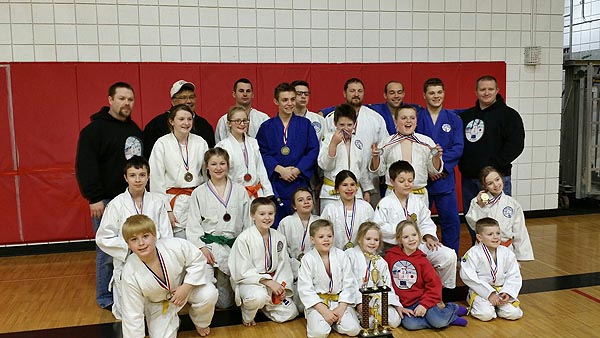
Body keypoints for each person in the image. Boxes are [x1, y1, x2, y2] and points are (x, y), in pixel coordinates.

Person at [75, 81, 143, 310]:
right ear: (110, 100)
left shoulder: (134, 130)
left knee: (135, 246)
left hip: (132, 199)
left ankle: (131, 290)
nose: (127, 103)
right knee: (106, 250)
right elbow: (85, 165)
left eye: (130, 99)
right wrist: (93, 197)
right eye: (122, 98)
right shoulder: (93, 131)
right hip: (105, 201)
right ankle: (105, 296)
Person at [96, 156, 173, 319]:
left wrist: (150, 249)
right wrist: (131, 247)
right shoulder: (116, 204)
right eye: (132, 175)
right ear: (125, 178)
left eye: (142, 175)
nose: (137, 180)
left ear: (148, 176)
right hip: (127, 262)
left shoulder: (158, 202)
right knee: (130, 315)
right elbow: (103, 238)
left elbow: (167, 235)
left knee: (156, 313)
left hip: (154, 260)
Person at [120, 215, 218, 338]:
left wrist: (186, 287)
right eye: (134, 239)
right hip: (158, 303)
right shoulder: (130, 271)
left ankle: (201, 322)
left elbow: (197, 259)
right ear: (128, 244)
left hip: (184, 289)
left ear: (155, 236)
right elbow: (132, 313)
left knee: (209, 294)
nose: (141, 243)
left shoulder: (174, 246)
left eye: (145, 236)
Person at [459, 75, 525, 239]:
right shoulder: (466, 116)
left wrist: (492, 170)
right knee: (474, 220)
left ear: (497, 90)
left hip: (496, 180)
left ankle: (501, 258)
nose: (486, 92)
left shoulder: (509, 115)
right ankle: (479, 253)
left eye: (490, 89)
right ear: (476, 91)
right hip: (470, 180)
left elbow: (515, 145)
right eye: (482, 89)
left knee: (499, 222)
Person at [373, 160, 457, 289]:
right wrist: (403, 231)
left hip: (418, 244)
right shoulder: (385, 203)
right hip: (395, 248)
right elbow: (379, 228)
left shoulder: (417, 201)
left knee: (448, 255)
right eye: (402, 181)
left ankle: (439, 290)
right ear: (392, 181)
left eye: (410, 180)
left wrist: (428, 236)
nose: (407, 184)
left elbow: (426, 221)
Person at [187, 147, 252, 309]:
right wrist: (201, 247)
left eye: (222, 163)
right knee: (209, 296)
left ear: (228, 165)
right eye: (213, 164)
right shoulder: (198, 193)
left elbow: (247, 222)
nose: (218, 168)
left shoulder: (240, 191)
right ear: (206, 167)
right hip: (209, 247)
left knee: (225, 304)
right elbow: (193, 225)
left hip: (233, 247)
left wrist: (242, 248)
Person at [256, 82, 319, 227]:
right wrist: (279, 169)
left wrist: (298, 169)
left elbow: (313, 150)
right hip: (276, 183)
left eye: (292, 99)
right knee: (275, 223)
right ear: (276, 101)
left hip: (299, 182)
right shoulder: (266, 127)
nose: (289, 103)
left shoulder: (305, 124)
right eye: (285, 100)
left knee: (300, 224)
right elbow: (261, 152)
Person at [385, 220, 467, 330]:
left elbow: (434, 285)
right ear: (399, 240)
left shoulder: (422, 260)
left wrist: (424, 305)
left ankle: (451, 310)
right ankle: (444, 318)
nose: (411, 239)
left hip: (423, 300)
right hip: (405, 304)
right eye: (406, 237)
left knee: (438, 322)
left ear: (419, 236)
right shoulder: (390, 257)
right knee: (411, 325)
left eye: (414, 235)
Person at [228, 197, 299, 326]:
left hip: (273, 281)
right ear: (252, 215)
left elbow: (284, 266)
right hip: (250, 283)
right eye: (262, 214)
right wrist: (267, 282)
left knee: (291, 313)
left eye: (270, 214)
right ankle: (248, 313)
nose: (267, 218)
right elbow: (241, 271)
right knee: (258, 297)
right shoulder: (244, 239)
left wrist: (282, 288)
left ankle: (265, 306)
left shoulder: (278, 237)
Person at [323, 78, 389, 208]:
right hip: (333, 185)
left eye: (360, 91)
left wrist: (367, 187)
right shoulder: (330, 118)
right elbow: (324, 161)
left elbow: (379, 150)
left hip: (365, 181)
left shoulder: (375, 118)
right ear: (344, 93)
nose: (356, 94)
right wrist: (333, 144)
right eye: (352, 91)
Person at [416, 78, 464, 254]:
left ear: (444, 93)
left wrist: (440, 168)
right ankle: (420, 258)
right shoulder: (417, 118)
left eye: (439, 92)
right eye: (431, 93)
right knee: (419, 221)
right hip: (422, 181)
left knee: (451, 221)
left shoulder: (454, 119)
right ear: (424, 95)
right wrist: (429, 170)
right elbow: (414, 146)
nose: (436, 96)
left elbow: (458, 148)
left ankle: (451, 257)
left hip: (444, 179)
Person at [149, 104, 208, 239]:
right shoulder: (162, 144)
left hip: (196, 200)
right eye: (181, 119)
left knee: (198, 241)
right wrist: (166, 210)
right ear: (171, 121)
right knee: (177, 244)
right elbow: (157, 180)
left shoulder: (200, 143)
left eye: (189, 119)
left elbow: (206, 176)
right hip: (173, 203)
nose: (186, 123)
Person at [297, 219, 361, 338]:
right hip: (318, 304)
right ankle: (328, 320)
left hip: (338, 301)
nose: (326, 239)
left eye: (329, 236)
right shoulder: (307, 259)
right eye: (321, 236)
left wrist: (341, 307)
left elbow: (349, 283)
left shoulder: (341, 255)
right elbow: (305, 289)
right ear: (312, 239)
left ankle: (335, 321)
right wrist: (324, 311)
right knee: (318, 334)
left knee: (353, 330)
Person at [370, 104, 444, 206]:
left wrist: (436, 157)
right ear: (395, 122)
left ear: (416, 121)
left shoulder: (426, 142)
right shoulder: (386, 143)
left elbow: (433, 171)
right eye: (404, 118)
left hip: (419, 195)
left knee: (418, 222)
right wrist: (375, 157)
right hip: (393, 195)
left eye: (412, 118)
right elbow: (379, 171)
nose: (408, 121)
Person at [460, 217, 523, 321]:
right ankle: (480, 303)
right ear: (479, 237)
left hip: (501, 290)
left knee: (514, 314)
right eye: (490, 234)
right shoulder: (473, 253)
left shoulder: (507, 253)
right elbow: (468, 276)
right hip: (481, 291)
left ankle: (498, 306)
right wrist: (489, 293)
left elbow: (514, 275)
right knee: (486, 315)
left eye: (498, 233)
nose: (495, 237)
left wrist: (507, 292)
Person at [465, 166, 534, 260]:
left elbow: (520, 230)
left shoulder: (513, 204)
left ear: (502, 179)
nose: (496, 185)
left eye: (497, 180)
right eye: (490, 183)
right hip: (483, 249)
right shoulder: (476, 202)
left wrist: (521, 256)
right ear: (484, 186)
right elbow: (474, 225)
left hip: (506, 248)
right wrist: (480, 207)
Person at [344, 221, 402, 329]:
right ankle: (356, 314)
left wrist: (397, 305)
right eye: (368, 239)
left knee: (395, 320)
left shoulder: (380, 261)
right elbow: (348, 283)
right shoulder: (350, 255)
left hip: (374, 299)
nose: (372, 242)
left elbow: (387, 285)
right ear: (360, 239)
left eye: (376, 240)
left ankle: (374, 313)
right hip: (355, 299)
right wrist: (359, 303)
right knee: (369, 324)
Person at [318, 104, 373, 211]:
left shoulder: (358, 141)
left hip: (354, 192)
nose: (346, 128)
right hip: (332, 192)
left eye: (349, 124)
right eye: (342, 124)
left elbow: (362, 168)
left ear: (355, 125)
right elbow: (324, 165)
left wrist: (366, 190)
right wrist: (333, 144)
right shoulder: (328, 138)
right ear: (335, 124)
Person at [143, 79, 215, 159]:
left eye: (191, 97)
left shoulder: (204, 126)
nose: (189, 101)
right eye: (183, 97)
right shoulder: (156, 125)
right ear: (173, 102)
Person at [215, 105, 273, 199]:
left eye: (245, 120)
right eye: (237, 121)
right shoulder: (222, 146)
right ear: (229, 123)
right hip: (233, 194)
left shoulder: (253, 143)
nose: (242, 124)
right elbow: (220, 174)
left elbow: (260, 168)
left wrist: (267, 192)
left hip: (256, 193)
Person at [277, 187, 319, 312]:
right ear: (294, 206)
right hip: (293, 271)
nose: (306, 202)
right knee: (299, 307)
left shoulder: (320, 221)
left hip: (314, 270)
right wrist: (296, 267)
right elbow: (281, 252)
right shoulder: (286, 222)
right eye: (301, 200)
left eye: (309, 199)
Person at [321, 170, 374, 251]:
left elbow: (374, 232)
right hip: (335, 255)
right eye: (344, 185)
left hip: (361, 255)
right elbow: (322, 233)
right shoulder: (330, 209)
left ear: (357, 188)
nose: (349, 188)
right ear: (337, 188)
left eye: (352, 185)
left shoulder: (366, 207)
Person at [215, 78, 269, 143]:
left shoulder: (263, 118)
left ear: (253, 94)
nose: (245, 94)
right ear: (234, 94)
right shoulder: (224, 120)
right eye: (241, 91)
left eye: (248, 91)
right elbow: (220, 147)